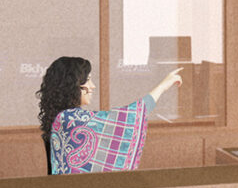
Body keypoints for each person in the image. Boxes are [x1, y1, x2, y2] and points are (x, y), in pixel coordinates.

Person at [38, 56, 182, 175]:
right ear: (73, 85)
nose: (92, 86)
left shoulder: (60, 118)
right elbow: (131, 115)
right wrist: (163, 86)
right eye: (87, 80)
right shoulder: (68, 118)